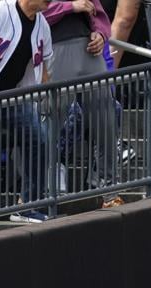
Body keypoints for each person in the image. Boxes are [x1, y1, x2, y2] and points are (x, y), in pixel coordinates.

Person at [0, 0, 54, 221]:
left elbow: (45, 68)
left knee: (39, 138)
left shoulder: (42, 25)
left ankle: (28, 205)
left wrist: (42, 92)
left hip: (8, 99)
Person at [42, 0, 123, 207]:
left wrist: (101, 34)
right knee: (49, 124)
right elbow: (30, 11)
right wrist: (70, 6)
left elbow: (97, 11)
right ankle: (37, 192)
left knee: (106, 121)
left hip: (89, 48)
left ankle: (110, 192)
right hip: (55, 47)